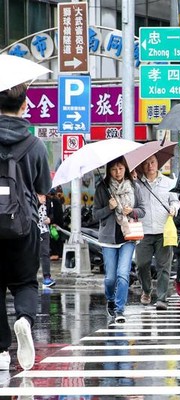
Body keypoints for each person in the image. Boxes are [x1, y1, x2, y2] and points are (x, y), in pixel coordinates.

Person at [0, 83, 51, 371]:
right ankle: (24, 319)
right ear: (23, 106)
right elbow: (43, 186)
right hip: (24, 223)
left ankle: (0, 352)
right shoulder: (36, 145)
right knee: (26, 282)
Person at [93, 156, 146, 323]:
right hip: (108, 238)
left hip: (128, 236)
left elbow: (142, 210)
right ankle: (110, 298)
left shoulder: (134, 187)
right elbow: (95, 214)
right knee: (110, 278)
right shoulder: (102, 188)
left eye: (121, 169)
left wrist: (132, 211)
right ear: (109, 170)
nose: (118, 172)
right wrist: (109, 208)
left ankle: (119, 309)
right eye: (114, 169)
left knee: (123, 274)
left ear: (126, 169)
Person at [136, 154, 180, 311]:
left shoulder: (169, 183)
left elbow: (175, 200)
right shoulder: (137, 185)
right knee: (142, 264)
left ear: (158, 163)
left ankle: (162, 298)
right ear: (142, 166)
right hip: (143, 231)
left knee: (164, 266)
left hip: (164, 230)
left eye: (153, 162)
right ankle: (147, 290)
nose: (150, 166)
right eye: (146, 163)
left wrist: (174, 209)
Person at [37, 194, 55, 288]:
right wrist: (38, 203)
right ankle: (29, 277)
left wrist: (50, 219)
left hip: (44, 230)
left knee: (45, 253)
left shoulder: (49, 200)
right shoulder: (31, 196)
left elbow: (52, 213)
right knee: (32, 254)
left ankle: (47, 277)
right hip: (33, 229)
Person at [46, 188, 64, 261]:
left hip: (55, 224)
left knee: (54, 238)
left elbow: (55, 214)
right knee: (56, 238)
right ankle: (57, 253)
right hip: (58, 223)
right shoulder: (57, 201)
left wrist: (53, 222)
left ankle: (56, 254)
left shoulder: (54, 201)